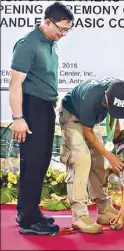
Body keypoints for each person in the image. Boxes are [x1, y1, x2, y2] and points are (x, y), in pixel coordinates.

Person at [9, 2, 74, 235]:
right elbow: (15, 83)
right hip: (31, 108)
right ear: (46, 21)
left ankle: (28, 211)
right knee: (33, 163)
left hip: (45, 107)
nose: (63, 34)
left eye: (67, 30)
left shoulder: (50, 42)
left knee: (41, 162)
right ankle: (27, 222)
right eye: (60, 29)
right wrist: (18, 118)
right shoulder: (28, 44)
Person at [59, 77, 124, 234]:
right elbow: (88, 132)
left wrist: (117, 145)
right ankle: (79, 216)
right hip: (72, 115)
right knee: (80, 157)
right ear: (106, 96)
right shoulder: (92, 97)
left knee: (97, 159)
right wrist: (110, 156)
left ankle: (104, 209)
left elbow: (114, 118)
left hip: (89, 119)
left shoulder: (119, 91)